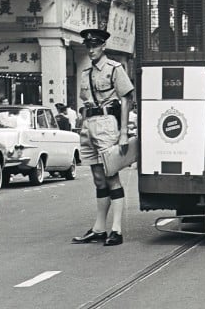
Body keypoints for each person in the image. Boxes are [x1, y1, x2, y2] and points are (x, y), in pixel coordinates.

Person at [72, 28, 133, 247]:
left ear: (103, 46)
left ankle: (116, 229)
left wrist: (124, 133)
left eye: (95, 45)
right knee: (98, 177)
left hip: (107, 124)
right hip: (88, 125)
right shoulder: (85, 72)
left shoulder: (115, 69)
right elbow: (84, 99)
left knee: (111, 175)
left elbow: (126, 100)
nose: (91, 50)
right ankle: (99, 228)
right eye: (88, 46)